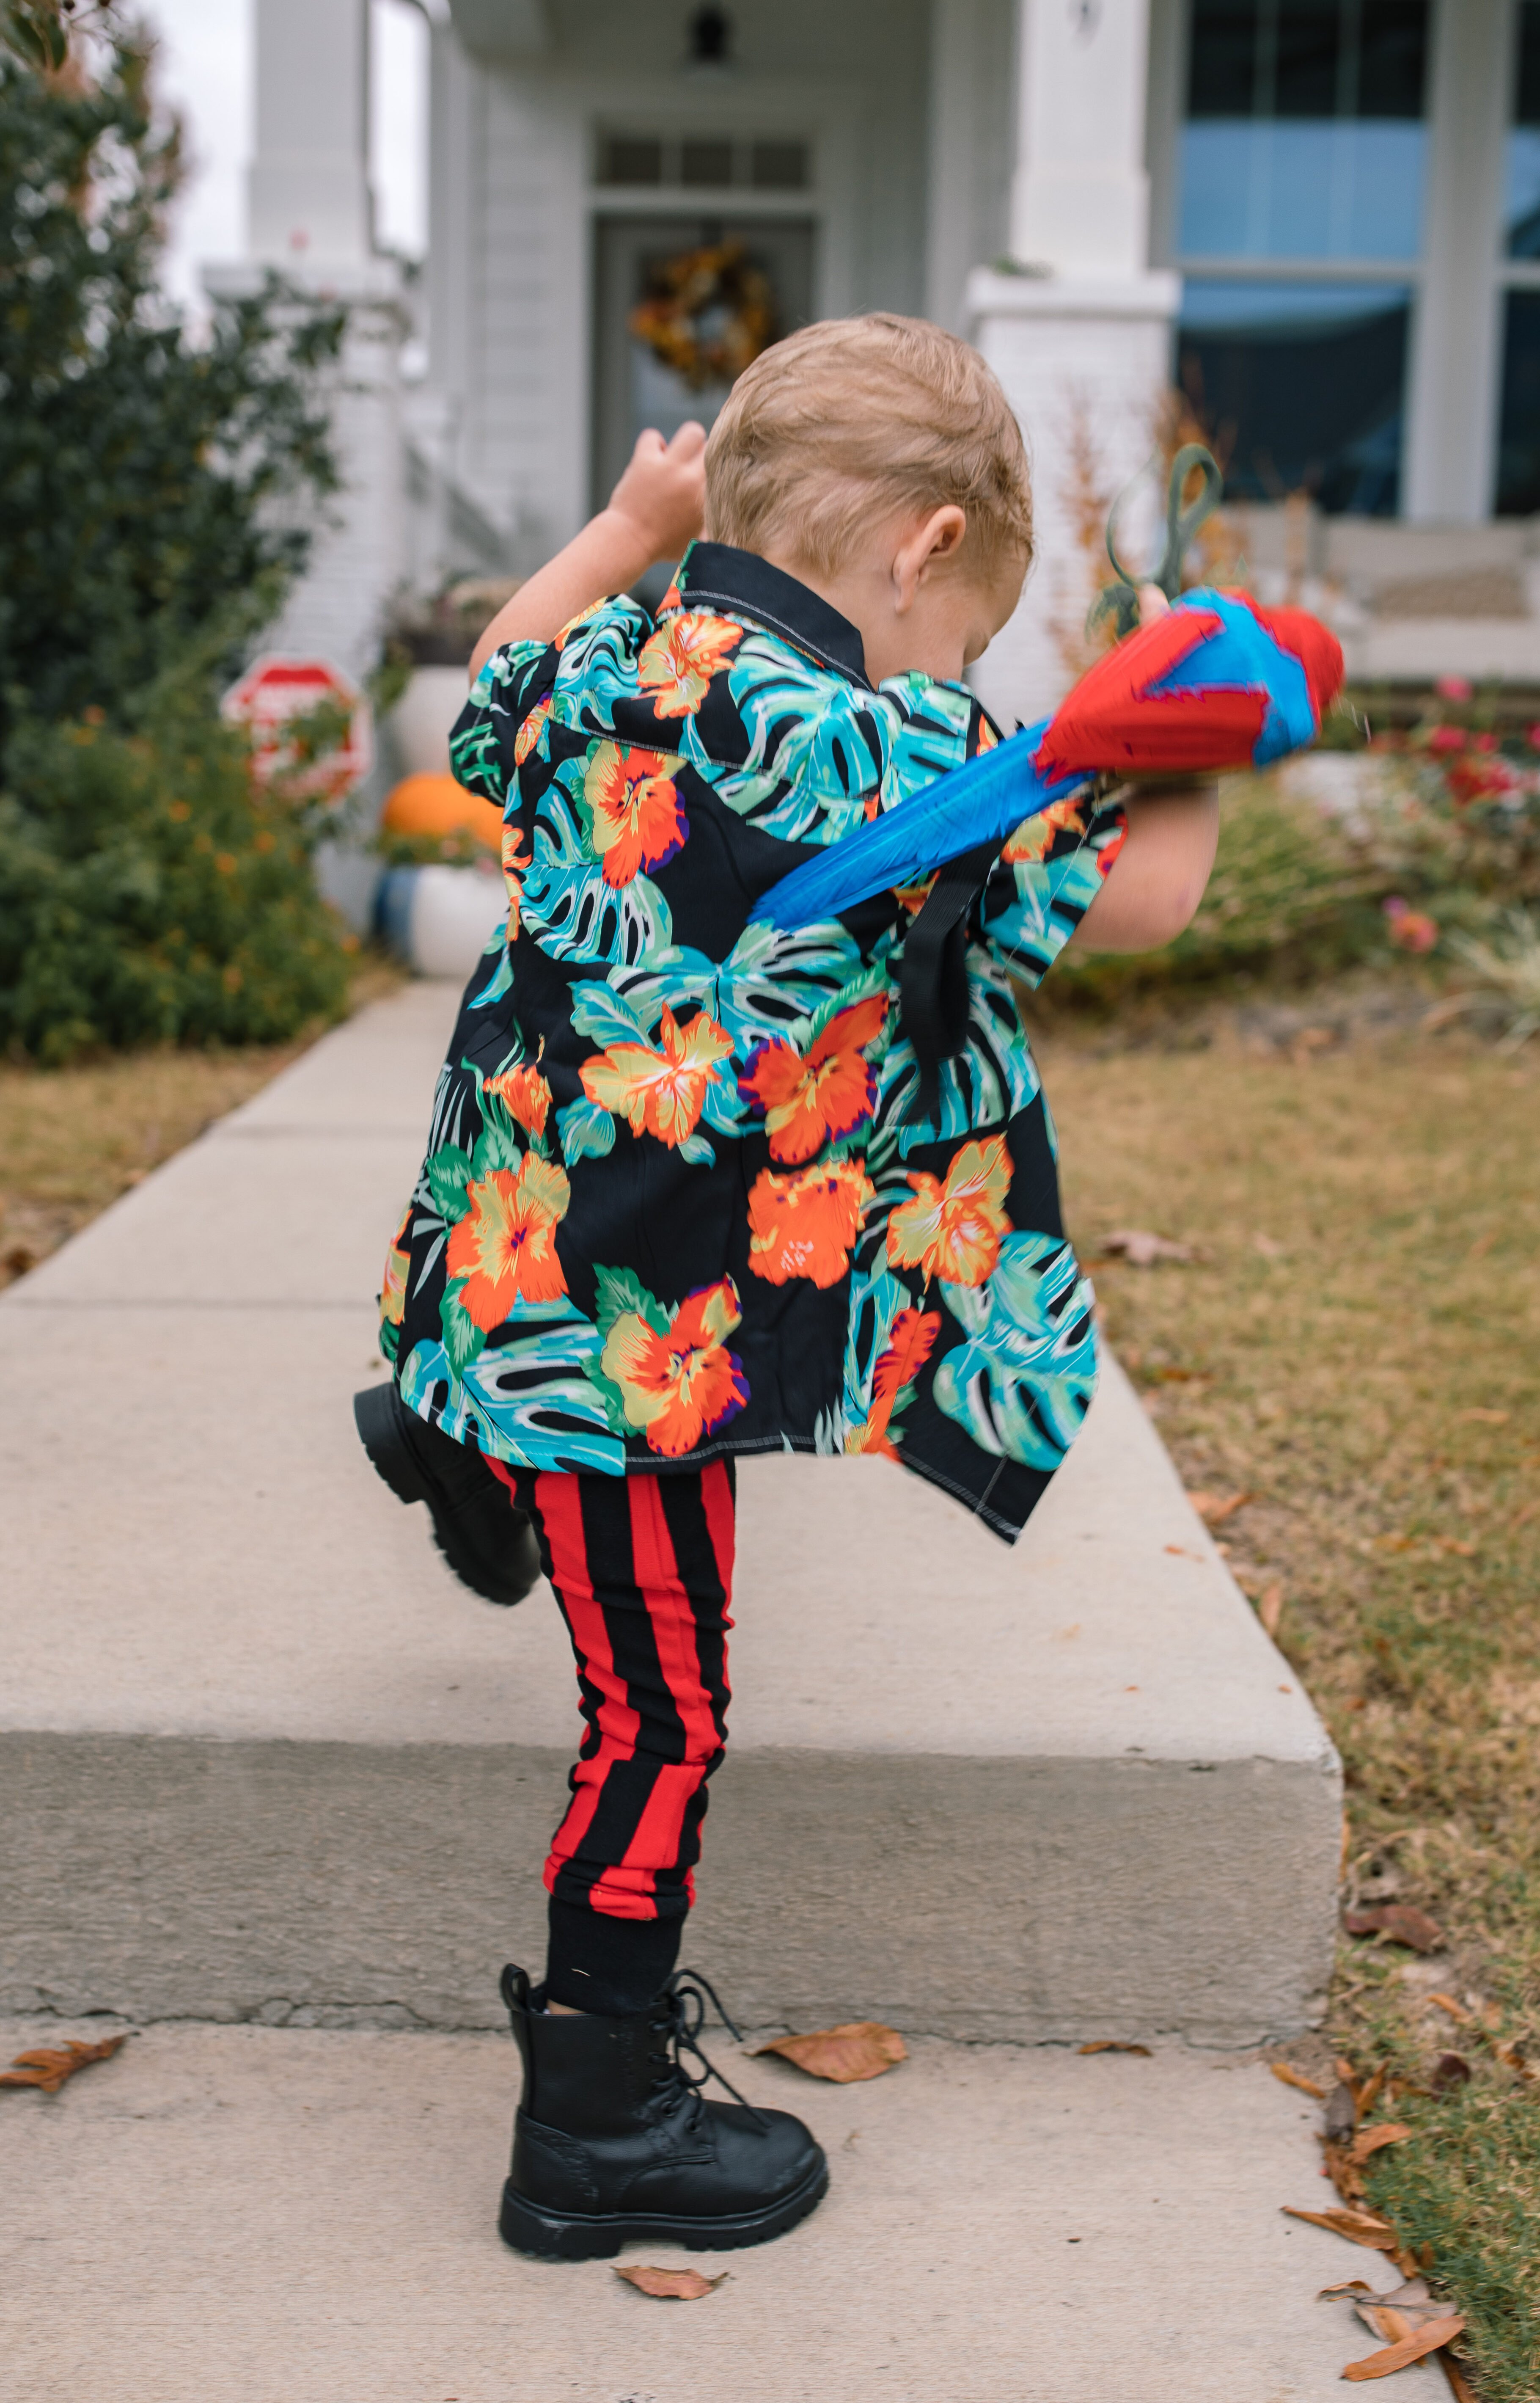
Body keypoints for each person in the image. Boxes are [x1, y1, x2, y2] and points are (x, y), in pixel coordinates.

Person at [355, 314, 1219, 2262]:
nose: (958, 666)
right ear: (923, 546)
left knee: (520, 1417)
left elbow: (479, 682)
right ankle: (592, 2118)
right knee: (658, 1714)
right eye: (967, 621)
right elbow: (1146, 899)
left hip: (485, 1283)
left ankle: (448, 1434)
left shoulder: (598, 660)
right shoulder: (905, 746)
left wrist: (617, 521)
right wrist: (1211, 736)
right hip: (630, 1375)